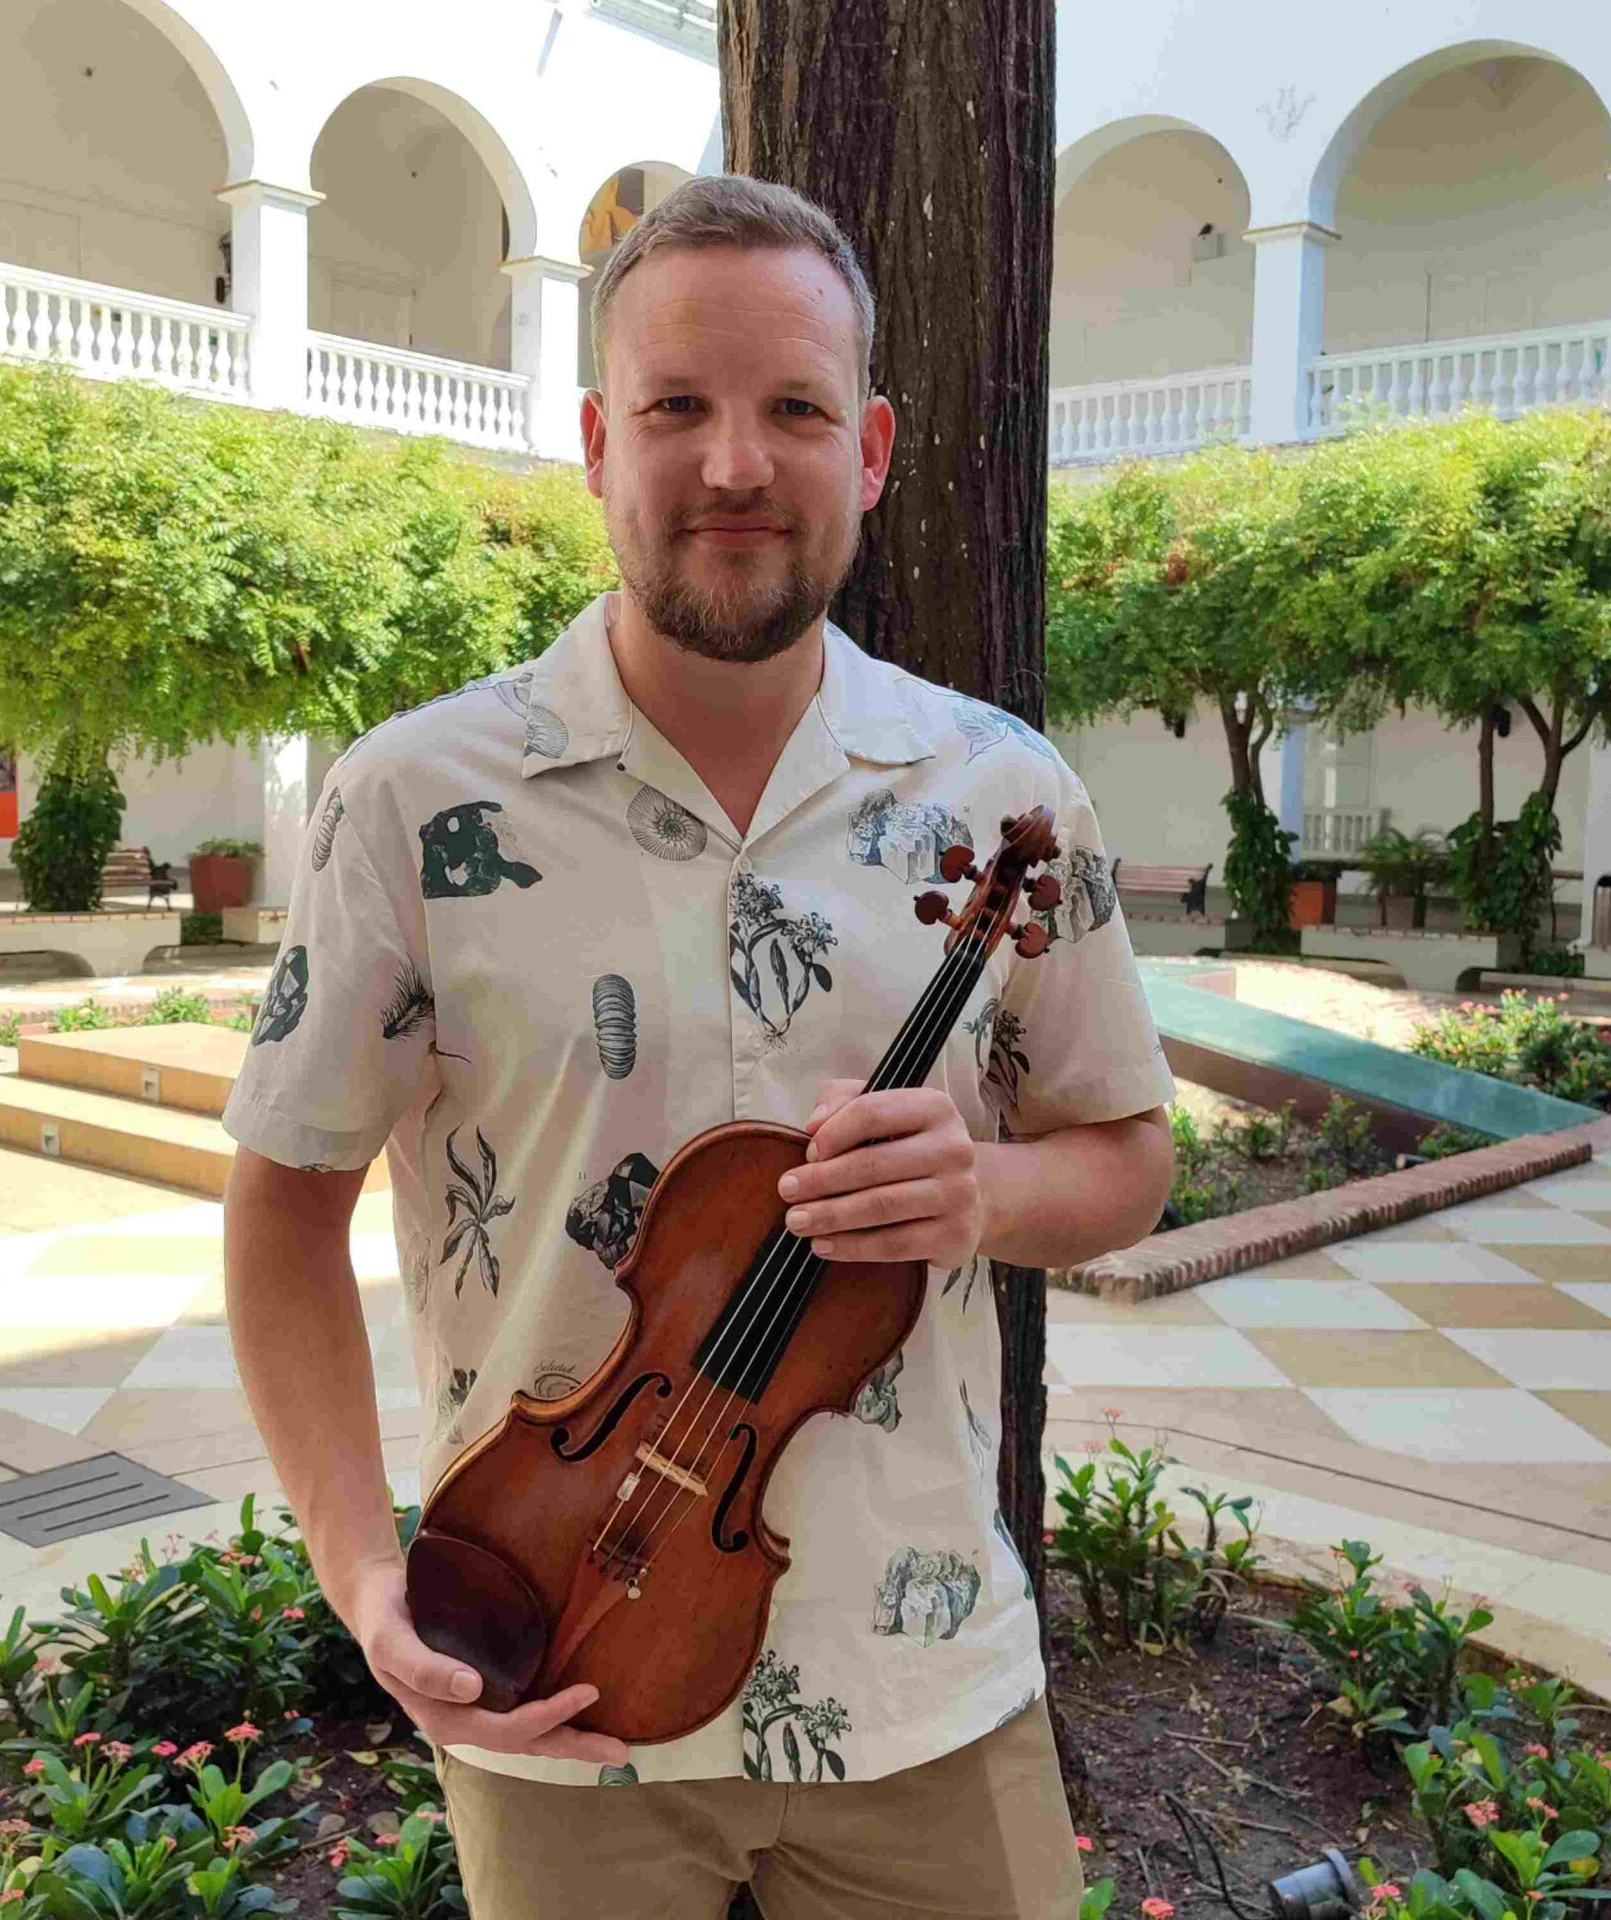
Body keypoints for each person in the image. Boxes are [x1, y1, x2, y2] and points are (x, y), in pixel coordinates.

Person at [221, 173, 1176, 1919]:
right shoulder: (413, 799)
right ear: (598, 439)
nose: (735, 464)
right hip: (557, 1669)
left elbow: (1127, 1156)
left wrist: (985, 1194)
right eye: (678, 407)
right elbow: (282, 1204)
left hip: (924, 1684)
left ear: (871, 450)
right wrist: (363, 1572)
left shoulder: (1007, 797)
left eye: (794, 409)